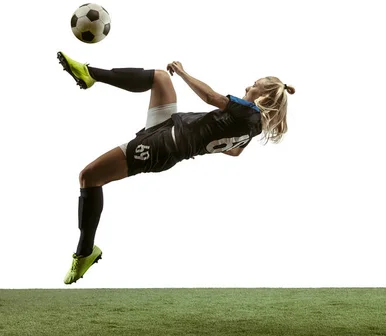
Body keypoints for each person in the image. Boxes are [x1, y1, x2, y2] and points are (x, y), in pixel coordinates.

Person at [57, 51, 295, 284]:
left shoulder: (248, 111)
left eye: (254, 86)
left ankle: (84, 252)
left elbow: (212, 98)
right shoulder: (254, 128)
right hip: (170, 128)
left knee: (88, 177)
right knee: (160, 77)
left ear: (263, 97)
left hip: (162, 145)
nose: (247, 88)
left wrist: (183, 72)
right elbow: (234, 151)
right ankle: (90, 74)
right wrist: (201, 142)